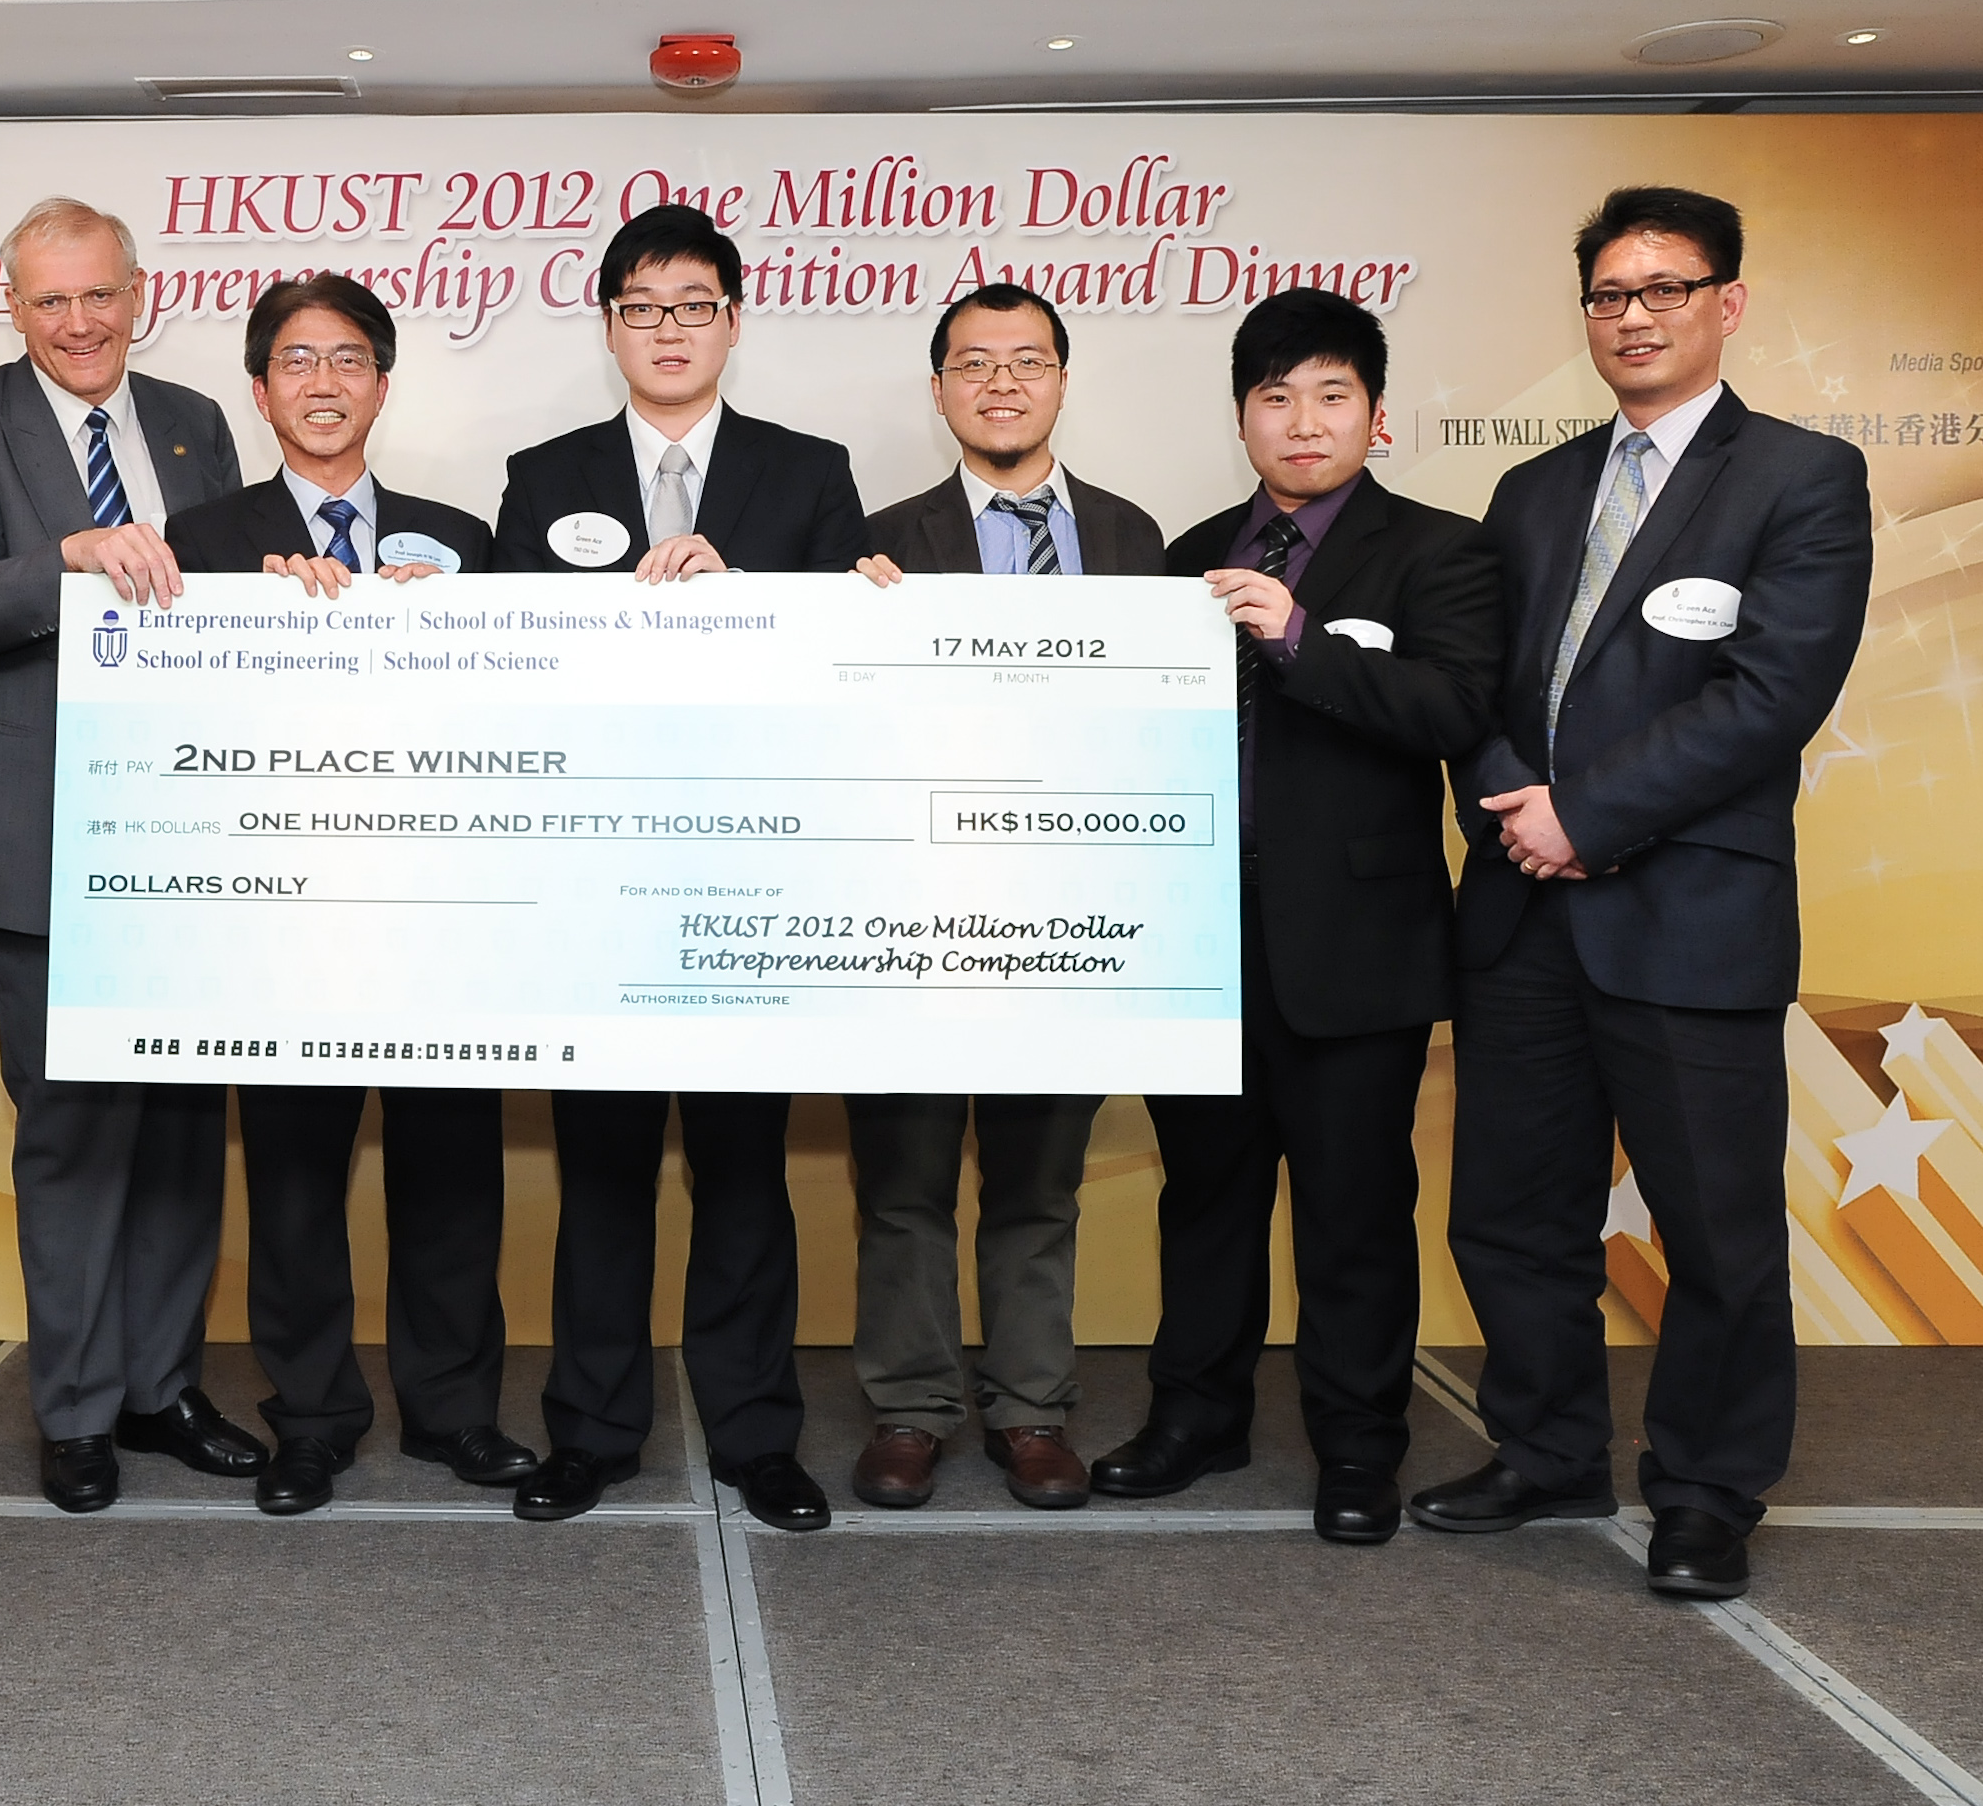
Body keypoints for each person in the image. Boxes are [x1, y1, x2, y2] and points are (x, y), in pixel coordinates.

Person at [1419, 187, 1869, 1600]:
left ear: (1725, 303)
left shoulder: (1802, 477)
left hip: (1690, 917)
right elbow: (1476, 688)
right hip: (1522, 913)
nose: (1635, 317)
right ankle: (1548, 1450)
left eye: (1665, 289)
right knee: (1509, 1211)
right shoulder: (1536, 489)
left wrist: (1590, 819)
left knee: (1715, 1231)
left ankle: (1707, 1494)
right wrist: (1520, 813)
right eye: (1611, 295)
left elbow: (1770, 697)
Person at [1092, 288, 1501, 1547]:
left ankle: (1357, 1447)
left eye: (1330, 394)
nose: (1301, 420)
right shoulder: (1186, 552)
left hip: (1356, 946)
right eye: (1274, 396)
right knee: (1204, 1194)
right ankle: (1196, 1417)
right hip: (1201, 939)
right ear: (1241, 416)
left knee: (1352, 1207)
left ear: (1375, 416)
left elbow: (1450, 715)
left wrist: (1302, 635)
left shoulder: (1442, 550)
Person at [490, 202, 866, 1532]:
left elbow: (840, 681)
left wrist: (753, 592)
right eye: (642, 307)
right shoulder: (542, 480)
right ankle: (589, 1433)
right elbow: (511, 678)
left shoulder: (809, 474)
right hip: (596, 889)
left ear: (733, 321)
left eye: (693, 304)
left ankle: (761, 1438)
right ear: (608, 327)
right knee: (599, 1176)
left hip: (751, 881)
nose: (668, 329)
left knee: (745, 1173)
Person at [0, 196, 263, 1514]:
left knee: (177, 1133)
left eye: (99, 294)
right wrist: (74, 555)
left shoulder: (194, 422)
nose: (79, 322)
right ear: (12, 304)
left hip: (193, 842)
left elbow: (231, 600)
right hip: (41, 844)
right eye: (49, 300)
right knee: (70, 1136)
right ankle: (77, 1409)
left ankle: (163, 1387)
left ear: (139, 291)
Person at [163, 273, 532, 1517]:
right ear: (259, 387)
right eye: (297, 362)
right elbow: (177, 730)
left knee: (449, 1170)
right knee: (294, 1178)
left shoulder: (463, 538)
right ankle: (311, 1416)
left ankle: (456, 1414)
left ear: (384, 380)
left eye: (349, 361)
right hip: (284, 923)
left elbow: (514, 718)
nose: (324, 384)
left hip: (439, 917)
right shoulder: (202, 542)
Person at [841, 282, 1166, 1512]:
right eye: (972, 365)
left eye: (1026, 361)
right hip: (912, 913)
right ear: (939, 392)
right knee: (906, 1180)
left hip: (1070, 915)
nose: (1001, 383)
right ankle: (913, 1408)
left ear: (1062, 380)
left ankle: (1031, 1410)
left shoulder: (1140, 540)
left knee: (1039, 1179)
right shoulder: (876, 547)